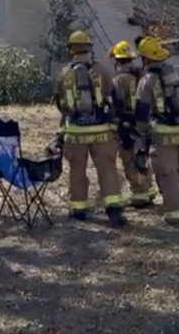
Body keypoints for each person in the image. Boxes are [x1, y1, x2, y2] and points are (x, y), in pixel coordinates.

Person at [54, 30, 127, 227]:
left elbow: (61, 104)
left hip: (75, 133)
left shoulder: (64, 74)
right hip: (102, 131)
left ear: (71, 49)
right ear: (89, 48)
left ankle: (79, 209)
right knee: (107, 169)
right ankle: (114, 209)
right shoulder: (102, 71)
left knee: (77, 170)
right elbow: (115, 99)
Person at [135, 36, 179, 225]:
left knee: (168, 174)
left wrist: (141, 136)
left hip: (163, 134)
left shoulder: (147, 81)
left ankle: (175, 214)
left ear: (145, 58)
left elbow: (141, 114)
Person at [110, 40, 157, 208]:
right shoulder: (143, 75)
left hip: (127, 126)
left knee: (129, 159)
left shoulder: (118, 80)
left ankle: (139, 194)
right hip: (145, 124)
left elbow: (116, 105)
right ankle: (148, 190)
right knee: (143, 157)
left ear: (117, 60)